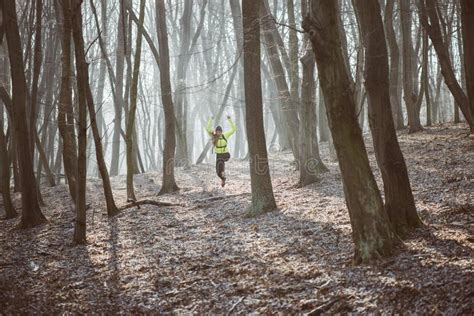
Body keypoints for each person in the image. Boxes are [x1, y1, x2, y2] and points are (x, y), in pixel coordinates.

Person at [206, 115, 236, 187]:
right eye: (217, 132)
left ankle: (223, 172)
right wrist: (211, 119)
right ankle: (223, 178)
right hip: (218, 155)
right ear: (215, 132)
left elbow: (233, 129)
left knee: (221, 163)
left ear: (221, 132)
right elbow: (208, 129)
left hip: (226, 154)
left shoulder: (225, 135)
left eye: (220, 132)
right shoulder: (214, 136)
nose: (218, 133)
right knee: (217, 171)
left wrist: (230, 120)